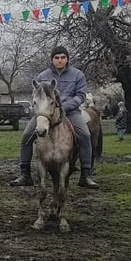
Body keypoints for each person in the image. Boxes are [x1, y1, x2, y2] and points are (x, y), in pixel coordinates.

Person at [9, 46, 99, 189]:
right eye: (56, 58)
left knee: (85, 135)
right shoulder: (42, 76)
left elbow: (81, 96)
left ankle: (85, 175)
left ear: (67, 59)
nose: (60, 60)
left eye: (63, 57)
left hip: (70, 112)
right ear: (52, 59)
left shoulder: (78, 75)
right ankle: (25, 174)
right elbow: (37, 96)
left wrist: (65, 106)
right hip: (45, 113)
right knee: (26, 136)